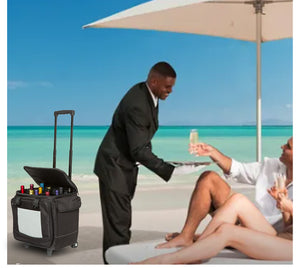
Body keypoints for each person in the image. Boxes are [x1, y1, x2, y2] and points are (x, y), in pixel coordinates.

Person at [94, 61, 177, 263]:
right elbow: (138, 149)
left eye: (172, 86)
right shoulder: (137, 104)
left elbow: (140, 139)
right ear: (154, 81)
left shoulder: (149, 95)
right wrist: (169, 169)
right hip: (114, 167)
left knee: (120, 223)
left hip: (123, 167)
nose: (171, 91)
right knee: (119, 227)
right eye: (167, 86)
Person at [158, 137, 293, 248]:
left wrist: (286, 207)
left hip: (270, 235)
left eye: (288, 146)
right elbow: (238, 169)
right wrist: (212, 152)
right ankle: (186, 236)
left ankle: (206, 240)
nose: (282, 146)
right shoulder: (271, 166)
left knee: (239, 200)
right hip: (244, 220)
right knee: (209, 178)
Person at [133, 188, 293, 264]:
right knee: (238, 200)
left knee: (227, 231)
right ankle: (197, 251)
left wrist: (291, 207)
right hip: (282, 238)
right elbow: (289, 226)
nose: (282, 147)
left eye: (288, 146)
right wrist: (285, 208)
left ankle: (167, 261)